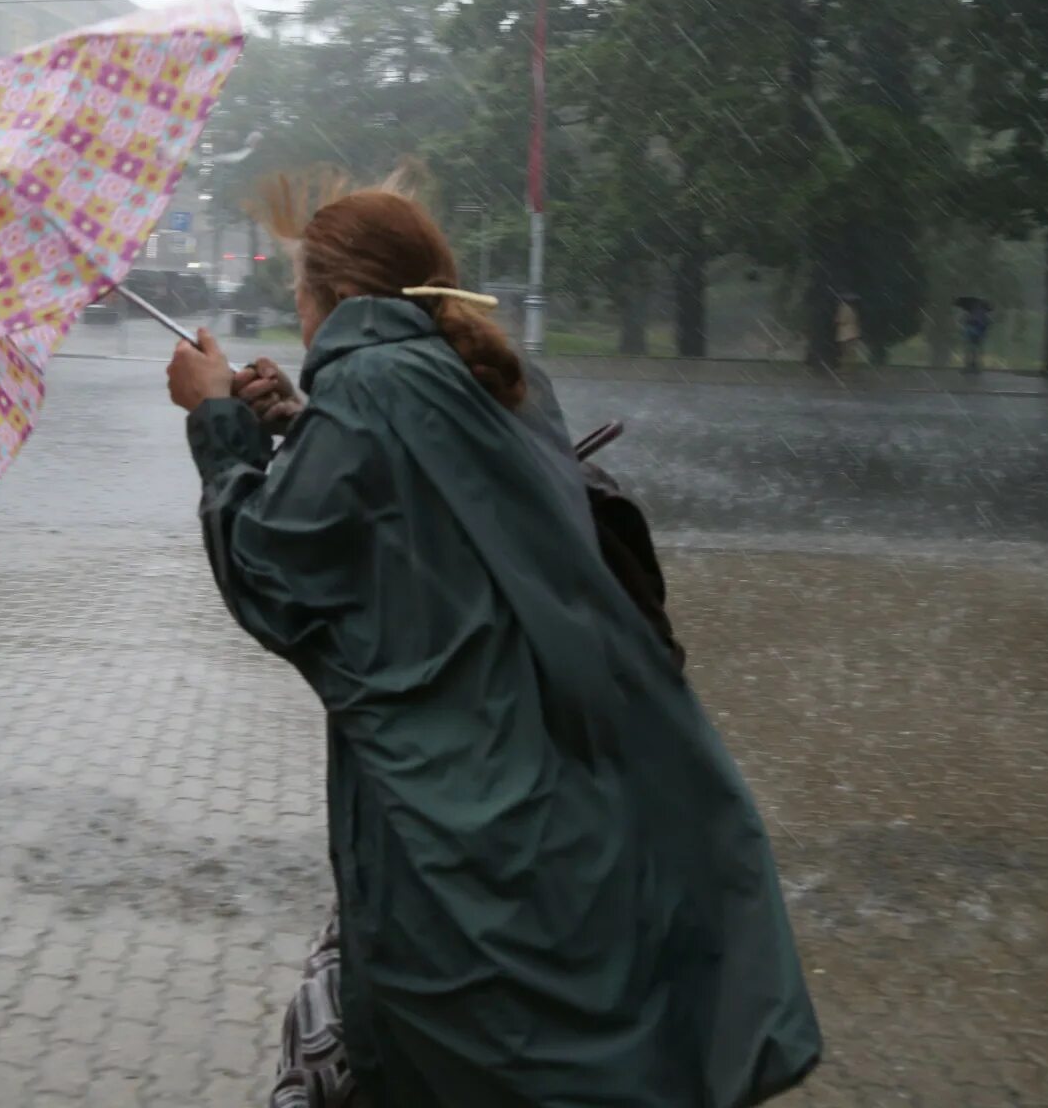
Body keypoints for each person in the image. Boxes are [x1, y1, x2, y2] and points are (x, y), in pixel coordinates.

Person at [165, 175, 821, 1108]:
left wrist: (215, 422)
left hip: (456, 818)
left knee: (460, 1054)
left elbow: (271, 575)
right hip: (566, 783)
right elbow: (427, 507)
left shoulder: (373, 391)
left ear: (330, 298)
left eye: (299, 290)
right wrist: (298, 426)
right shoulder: (490, 374)